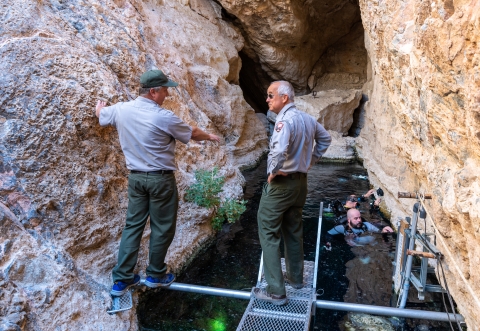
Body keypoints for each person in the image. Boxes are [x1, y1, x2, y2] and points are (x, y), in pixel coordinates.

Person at [95, 69, 221, 296]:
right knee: (162, 227)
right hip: (160, 179)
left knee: (133, 225)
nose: (167, 95)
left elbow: (102, 115)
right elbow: (191, 132)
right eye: (164, 90)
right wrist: (210, 136)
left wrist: (99, 107)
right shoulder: (162, 116)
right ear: (153, 91)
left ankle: (122, 280)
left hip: (135, 179)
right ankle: (155, 275)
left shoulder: (121, 110)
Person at [253, 81, 332, 305]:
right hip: (301, 184)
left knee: (267, 231)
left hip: (282, 184)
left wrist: (271, 173)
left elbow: (278, 150)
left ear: (284, 98)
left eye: (270, 95)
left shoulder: (284, 121)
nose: (267, 99)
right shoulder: (307, 119)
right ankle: (296, 279)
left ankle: (276, 291)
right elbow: (325, 139)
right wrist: (309, 162)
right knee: (293, 229)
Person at [327, 209, 393, 246]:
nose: (359, 220)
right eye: (356, 218)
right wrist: (328, 242)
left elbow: (379, 231)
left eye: (359, 217)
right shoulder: (341, 228)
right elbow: (328, 234)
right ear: (349, 220)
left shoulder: (366, 225)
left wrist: (384, 230)